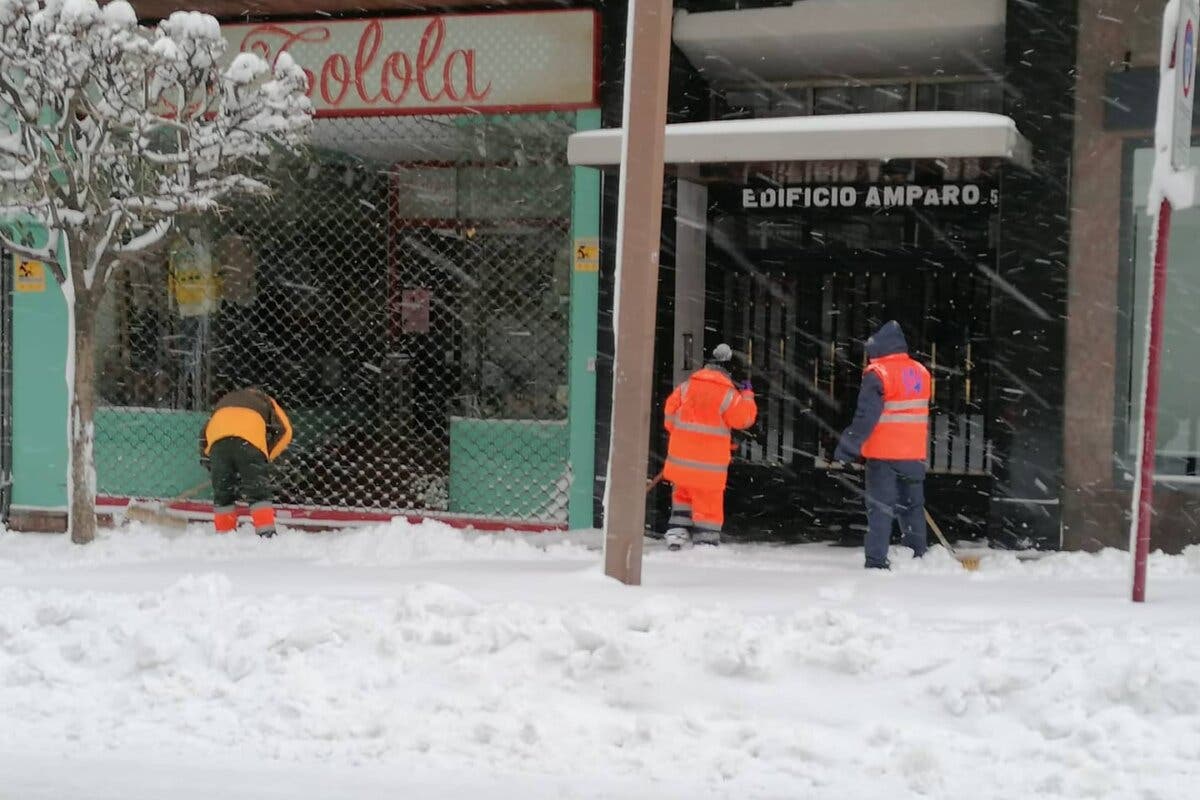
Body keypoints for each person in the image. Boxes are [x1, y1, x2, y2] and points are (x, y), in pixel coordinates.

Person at [834, 321, 931, 569]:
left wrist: (847, 448)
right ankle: (917, 555)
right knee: (912, 507)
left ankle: (877, 560)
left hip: (883, 455)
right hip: (913, 454)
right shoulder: (920, 371)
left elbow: (866, 416)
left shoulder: (879, 373)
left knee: (881, 508)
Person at [661, 343, 757, 550]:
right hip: (709, 464)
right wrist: (748, 395)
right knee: (708, 500)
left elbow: (669, 416)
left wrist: (683, 437)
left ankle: (677, 531)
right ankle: (705, 538)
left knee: (682, 494)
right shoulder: (729, 394)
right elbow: (744, 419)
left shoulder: (687, 386)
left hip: (681, 458)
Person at [199, 387, 293, 538]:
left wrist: (212, 463)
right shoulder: (267, 401)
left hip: (218, 443)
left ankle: (224, 534)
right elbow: (286, 431)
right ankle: (266, 534)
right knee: (258, 492)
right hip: (250, 443)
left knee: (223, 494)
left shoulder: (225, 401)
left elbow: (204, 434)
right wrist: (266, 455)